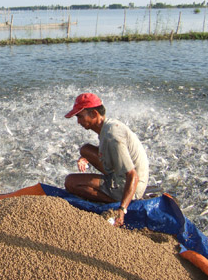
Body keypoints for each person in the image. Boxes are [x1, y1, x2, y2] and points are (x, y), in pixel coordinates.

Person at [64, 93, 149, 227]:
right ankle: (115, 196)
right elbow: (110, 152)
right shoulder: (108, 126)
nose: (78, 122)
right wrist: (86, 158)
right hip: (123, 176)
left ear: (94, 114)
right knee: (85, 149)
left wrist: (122, 209)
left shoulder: (111, 136)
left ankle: (113, 202)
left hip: (131, 185)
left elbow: (133, 175)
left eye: (80, 116)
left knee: (71, 182)